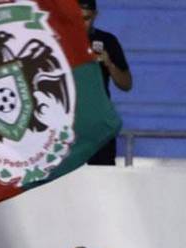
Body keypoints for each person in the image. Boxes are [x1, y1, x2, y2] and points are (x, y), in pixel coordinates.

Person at [79, 0, 132, 165]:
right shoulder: (58, 41)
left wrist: (109, 64)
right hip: (66, 124)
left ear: (95, 15)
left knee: (102, 175)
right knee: (63, 177)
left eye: (86, 18)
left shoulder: (107, 41)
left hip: (99, 124)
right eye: (77, 18)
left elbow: (126, 84)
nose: (81, 24)